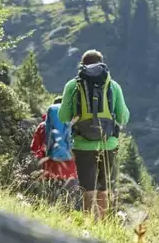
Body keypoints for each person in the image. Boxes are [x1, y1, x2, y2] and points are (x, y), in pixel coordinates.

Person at [59, 49, 130, 219]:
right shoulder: (113, 85)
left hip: (82, 143)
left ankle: (87, 223)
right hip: (108, 143)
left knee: (87, 189)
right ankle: (102, 223)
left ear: (82, 66)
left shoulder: (73, 85)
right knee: (103, 188)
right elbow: (123, 118)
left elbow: (63, 116)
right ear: (102, 64)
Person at [30, 96, 79, 203]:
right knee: (68, 203)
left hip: (49, 170)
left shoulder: (42, 126)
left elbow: (34, 149)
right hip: (70, 171)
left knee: (49, 201)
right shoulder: (73, 125)